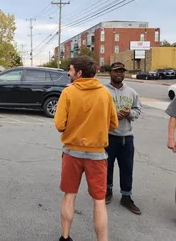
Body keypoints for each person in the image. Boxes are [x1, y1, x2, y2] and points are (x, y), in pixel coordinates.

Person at [54, 55, 118, 241]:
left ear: (79, 73)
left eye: (71, 70)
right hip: (97, 155)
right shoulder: (105, 93)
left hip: (72, 153)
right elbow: (113, 124)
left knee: (69, 195)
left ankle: (65, 237)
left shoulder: (68, 92)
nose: (69, 72)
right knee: (99, 201)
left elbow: (59, 124)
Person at [105, 62, 142, 215]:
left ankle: (126, 196)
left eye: (122, 71)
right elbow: (98, 111)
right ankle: (107, 191)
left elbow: (137, 110)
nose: (119, 74)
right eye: (116, 71)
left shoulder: (131, 92)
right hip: (108, 136)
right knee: (106, 167)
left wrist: (129, 114)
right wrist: (112, 115)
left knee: (127, 168)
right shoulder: (103, 92)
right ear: (110, 73)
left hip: (126, 137)